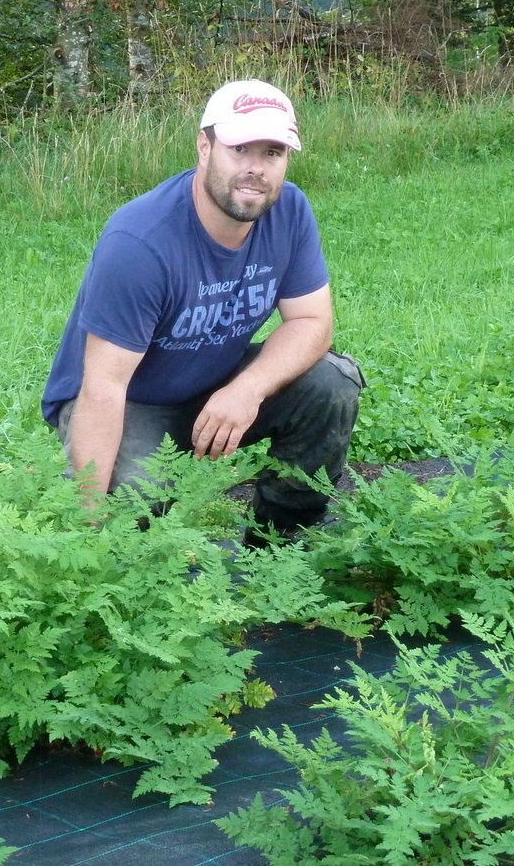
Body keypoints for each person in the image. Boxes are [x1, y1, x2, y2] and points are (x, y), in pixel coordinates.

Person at [40, 78, 363, 541]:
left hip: (215, 384)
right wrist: (89, 528)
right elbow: (103, 389)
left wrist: (247, 389)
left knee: (332, 382)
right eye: (240, 149)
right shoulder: (139, 242)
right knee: (130, 503)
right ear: (204, 147)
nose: (256, 169)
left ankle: (279, 547)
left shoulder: (288, 211)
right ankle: (125, 569)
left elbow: (313, 322)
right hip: (132, 401)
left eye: (272, 153)